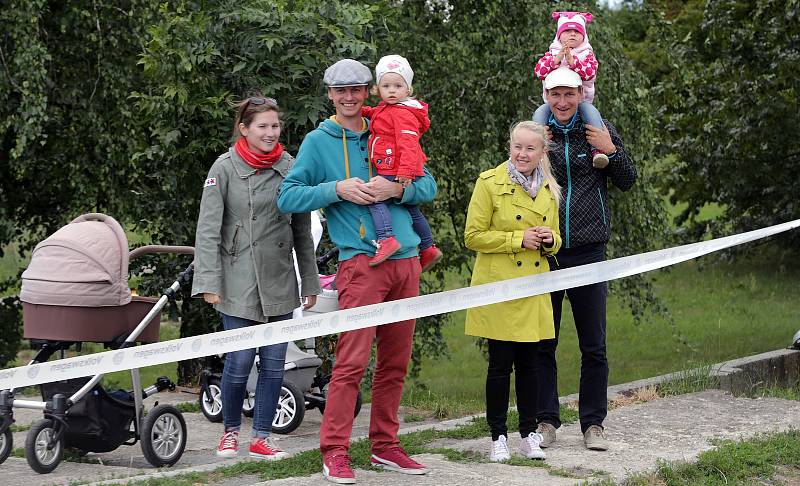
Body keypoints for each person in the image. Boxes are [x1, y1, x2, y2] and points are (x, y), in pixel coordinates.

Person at [277, 59, 437, 484]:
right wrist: (336, 189)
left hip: (406, 262)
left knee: (395, 363)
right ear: (329, 94)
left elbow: (429, 185)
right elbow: (288, 196)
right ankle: (335, 452)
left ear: (368, 91)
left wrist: (398, 188)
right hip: (361, 265)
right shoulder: (317, 141)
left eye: (357, 89)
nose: (349, 97)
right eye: (340, 91)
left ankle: (385, 446)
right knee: (351, 363)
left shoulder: (391, 119)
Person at [192, 96, 321, 460]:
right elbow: (207, 230)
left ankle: (262, 435)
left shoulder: (290, 165)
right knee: (239, 362)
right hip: (237, 280)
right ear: (244, 129)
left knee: (275, 363)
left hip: (280, 278)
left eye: (274, 126)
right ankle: (230, 431)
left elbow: (302, 230)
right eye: (261, 126)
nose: (269, 133)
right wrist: (208, 282)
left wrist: (309, 281)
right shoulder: (224, 167)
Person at [533, 67, 637, 451]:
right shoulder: (538, 134)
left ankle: (593, 424)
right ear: (546, 96)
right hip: (547, 253)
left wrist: (610, 151)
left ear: (581, 95)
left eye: (569, 94)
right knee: (544, 341)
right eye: (555, 95)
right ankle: (546, 422)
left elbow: (628, 179)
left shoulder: (597, 128)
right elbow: (513, 178)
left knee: (594, 345)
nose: (562, 102)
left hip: (590, 250)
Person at [464, 121, 562, 462]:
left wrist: (551, 241)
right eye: (516, 147)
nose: (522, 153)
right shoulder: (488, 183)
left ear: (541, 153)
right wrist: (517, 240)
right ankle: (497, 437)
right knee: (500, 366)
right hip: (499, 288)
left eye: (529, 148)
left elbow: (556, 237)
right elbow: (473, 236)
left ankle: (529, 433)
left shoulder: (550, 188)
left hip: (534, 288)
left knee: (532, 366)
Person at [360, 54, 442, 271]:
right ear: (378, 89)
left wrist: (404, 171)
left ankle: (386, 238)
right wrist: (362, 110)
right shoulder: (387, 108)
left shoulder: (402, 113)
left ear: (408, 89)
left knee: (375, 197)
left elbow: (409, 143)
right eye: (386, 86)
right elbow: (376, 114)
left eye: (398, 85)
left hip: (395, 166)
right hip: (395, 164)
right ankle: (428, 247)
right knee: (412, 209)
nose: (392, 90)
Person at [532, 11, 609, 169]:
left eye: (577, 32)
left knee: (592, 113)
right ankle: (540, 149)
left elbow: (590, 73)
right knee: (539, 113)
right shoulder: (553, 53)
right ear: (559, 35)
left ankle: (598, 150)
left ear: (584, 36)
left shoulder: (586, 55)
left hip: (582, 102)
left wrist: (573, 62)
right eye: (567, 31)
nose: (572, 34)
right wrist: (556, 60)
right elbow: (539, 72)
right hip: (549, 105)